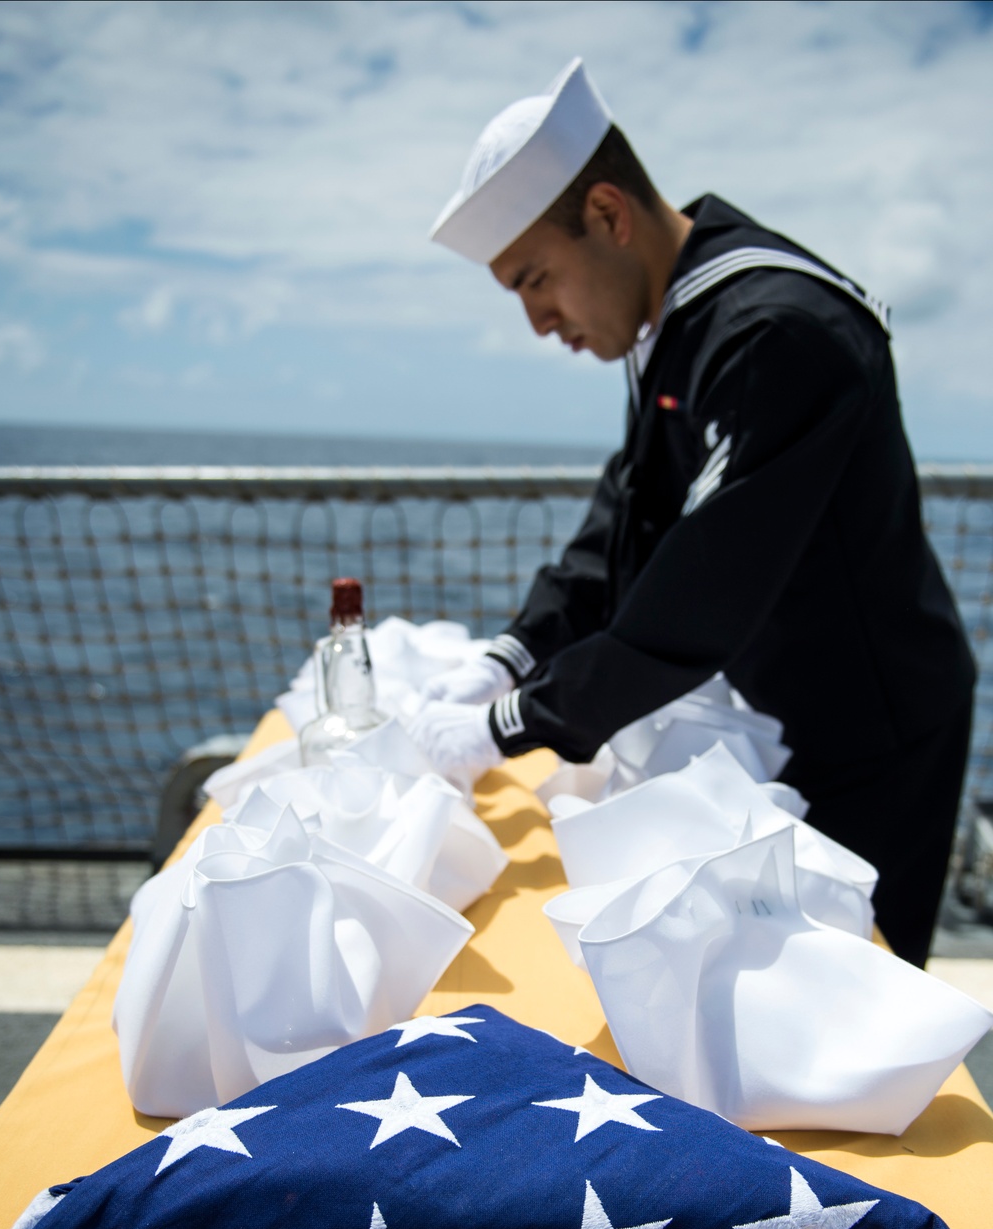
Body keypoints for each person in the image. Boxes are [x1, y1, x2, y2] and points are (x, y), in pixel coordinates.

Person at [407, 58, 975, 968]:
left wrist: (511, 723)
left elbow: (699, 590)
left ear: (607, 215)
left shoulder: (775, 332)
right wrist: (509, 656)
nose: (538, 321)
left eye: (534, 280)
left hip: (868, 738)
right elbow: (622, 527)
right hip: (776, 708)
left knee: (843, 996)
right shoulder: (677, 326)